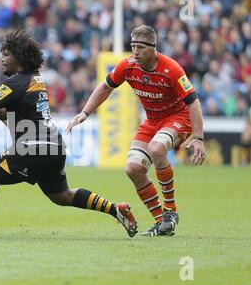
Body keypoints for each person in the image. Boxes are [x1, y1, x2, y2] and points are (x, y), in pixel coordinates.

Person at [0, 29, 138, 239]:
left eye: (7, 54)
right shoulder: (34, 79)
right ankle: (115, 209)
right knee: (61, 195)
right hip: (54, 146)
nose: (2, 58)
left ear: (19, 57)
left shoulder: (17, 82)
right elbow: (4, 113)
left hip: (32, 147)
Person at [67, 25, 206, 236]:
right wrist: (85, 113)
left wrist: (198, 137)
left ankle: (170, 211)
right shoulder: (128, 65)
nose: (135, 52)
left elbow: (193, 102)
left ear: (153, 48)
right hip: (152, 121)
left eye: (140, 47)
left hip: (178, 119)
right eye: (133, 46)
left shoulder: (172, 69)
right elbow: (105, 87)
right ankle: (162, 223)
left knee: (157, 149)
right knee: (133, 169)